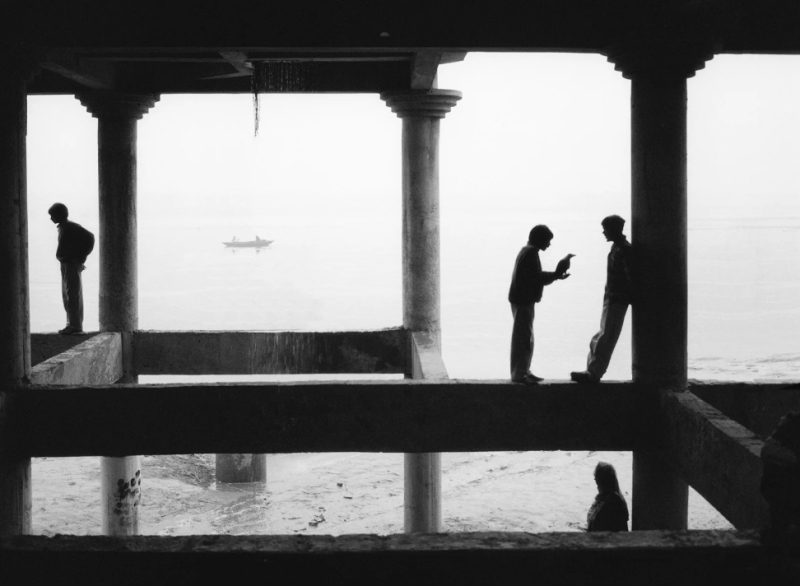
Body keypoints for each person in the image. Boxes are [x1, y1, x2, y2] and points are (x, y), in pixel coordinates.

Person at [571, 215, 633, 383]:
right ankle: (591, 370)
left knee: (607, 336)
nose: (603, 232)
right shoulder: (618, 248)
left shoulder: (623, 249)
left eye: (605, 229)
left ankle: (593, 373)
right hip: (612, 298)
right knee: (602, 335)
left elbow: (630, 277)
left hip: (617, 298)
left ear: (614, 229)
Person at [508, 224, 569, 384]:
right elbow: (535, 277)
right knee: (523, 338)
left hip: (522, 299)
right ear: (540, 239)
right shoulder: (530, 253)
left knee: (526, 337)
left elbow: (534, 276)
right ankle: (519, 374)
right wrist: (555, 275)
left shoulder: (527, 250)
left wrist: (555, 276)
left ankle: (524, 370)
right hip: (523, 300)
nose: (549, 244)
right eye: (548, 241)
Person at [48, 203, 94, 335]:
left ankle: (74, 326)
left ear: (59, 215)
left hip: (71, 264)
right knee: (68, 295)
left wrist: (80, 258)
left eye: (52, 215)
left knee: (72, 295)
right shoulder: (64, 227)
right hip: (67, 263)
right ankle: (72, 324)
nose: (51, 218)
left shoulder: (70, 227)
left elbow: (90, 237)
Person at [587, 462, 629, 532]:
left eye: (597, 478)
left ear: (604, 480)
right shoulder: (603, 498)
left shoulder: (614, 501)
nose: (596, 482)